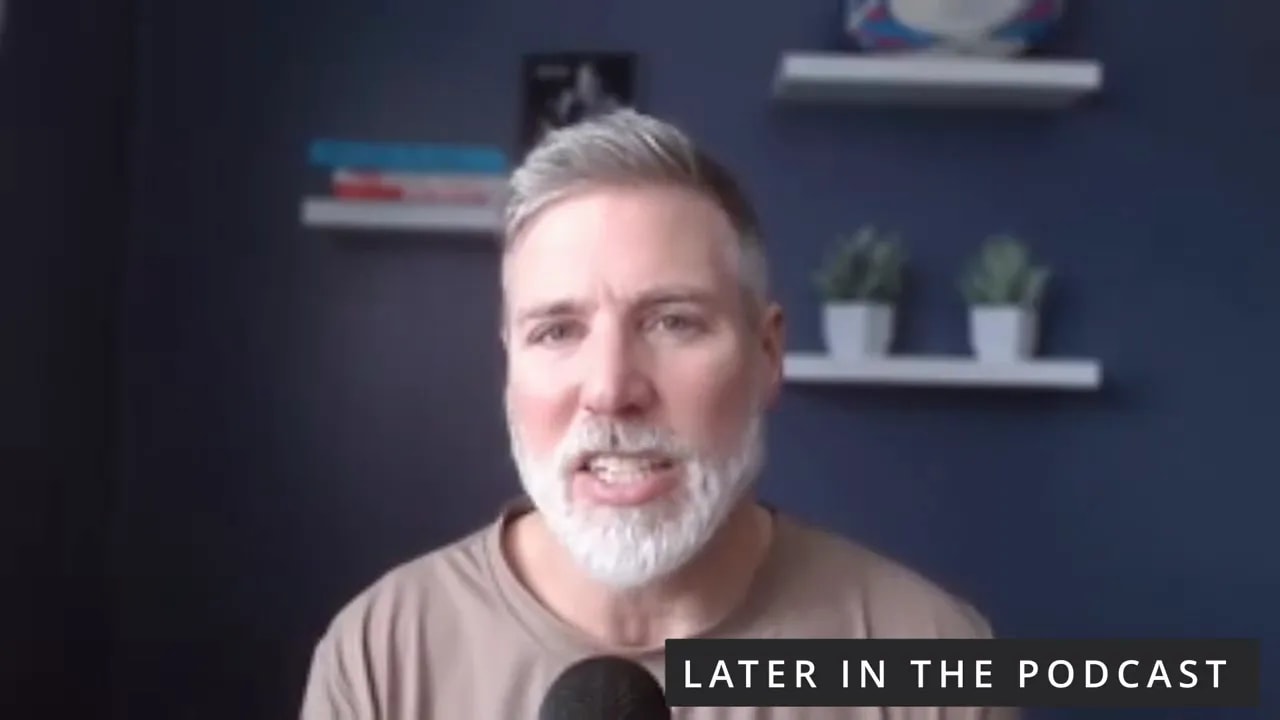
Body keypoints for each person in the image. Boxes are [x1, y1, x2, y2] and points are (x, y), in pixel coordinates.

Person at [299, 109, 1016, 719]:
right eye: (557, 330)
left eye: (672, 322)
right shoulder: (381, 657)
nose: (610, 389)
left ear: (767, 354)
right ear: (510, 366)